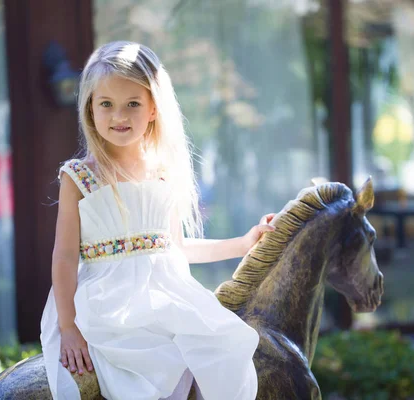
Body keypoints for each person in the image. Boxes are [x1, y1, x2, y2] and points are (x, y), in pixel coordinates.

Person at [39, 41, 275, 400]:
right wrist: (68, 325)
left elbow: (175, 248)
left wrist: (243, 243)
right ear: (90, 109)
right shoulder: (79, 177)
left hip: (165, 295)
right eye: (107, 104)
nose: (119, 116)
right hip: (108, 304)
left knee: (224, 344)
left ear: (153, 109)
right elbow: (65, 257)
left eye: (132, 104)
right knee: (150, 367)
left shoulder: (163, 173)